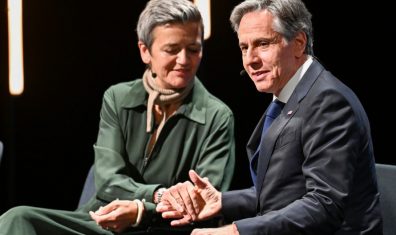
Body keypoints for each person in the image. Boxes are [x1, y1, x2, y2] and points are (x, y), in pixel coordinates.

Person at [0, 0, 235, 234]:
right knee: (18, 217)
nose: (184, 60)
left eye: (193, 49)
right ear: (145, 51)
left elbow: (204, 202)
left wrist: (142, 211)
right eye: (172, 50)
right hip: (100, 221)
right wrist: (156, 194)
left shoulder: (218, 116)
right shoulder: (117, 98)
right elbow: (108, 180)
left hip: (161, 228)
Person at [156, 0, 383, 234]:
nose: (250, 60)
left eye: (263, 44)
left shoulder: (328, 102)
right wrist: (222, 201)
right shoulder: (291, 93)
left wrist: (236, 231)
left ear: (298, 43)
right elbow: (288, 189)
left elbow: (323, 204)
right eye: (244, 47)